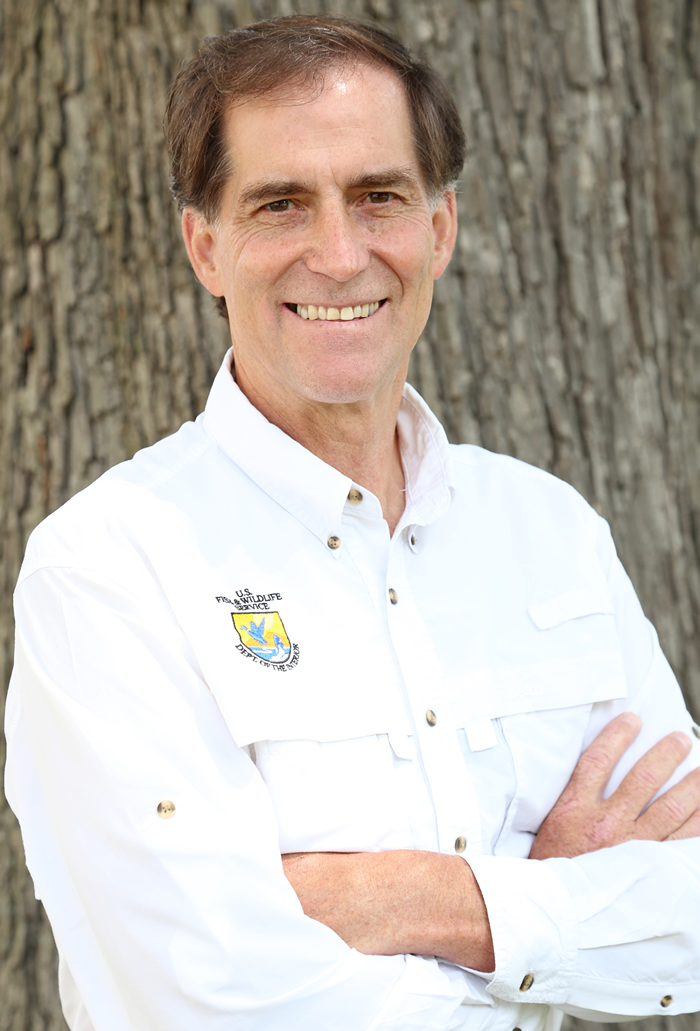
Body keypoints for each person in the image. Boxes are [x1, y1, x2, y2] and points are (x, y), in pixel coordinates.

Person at [5, 14, 700, 1031]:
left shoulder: (550, 532)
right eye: (281, 204)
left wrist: (423, 902)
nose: (338, 254)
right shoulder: (109, 563)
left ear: (439, 229)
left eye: (377, 197)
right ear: (206, 246)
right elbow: (196, 990)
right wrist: (554, 925)